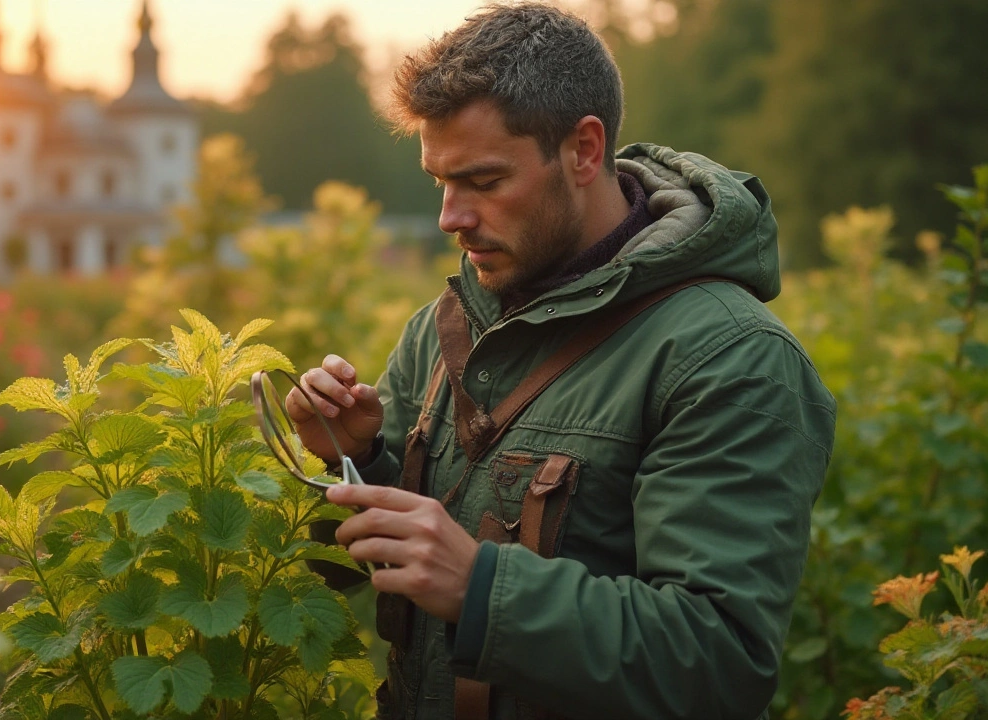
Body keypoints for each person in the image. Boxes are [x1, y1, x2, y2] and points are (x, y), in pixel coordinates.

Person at [287, 3, 836, 719]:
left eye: (483, 181)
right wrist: (355, 457)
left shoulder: (728, 357)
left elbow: (721, 662)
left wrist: (481, 589)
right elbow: (346, 578)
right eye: (440, 182)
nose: (451, 217)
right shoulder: (443, 326)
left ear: (582, 150)